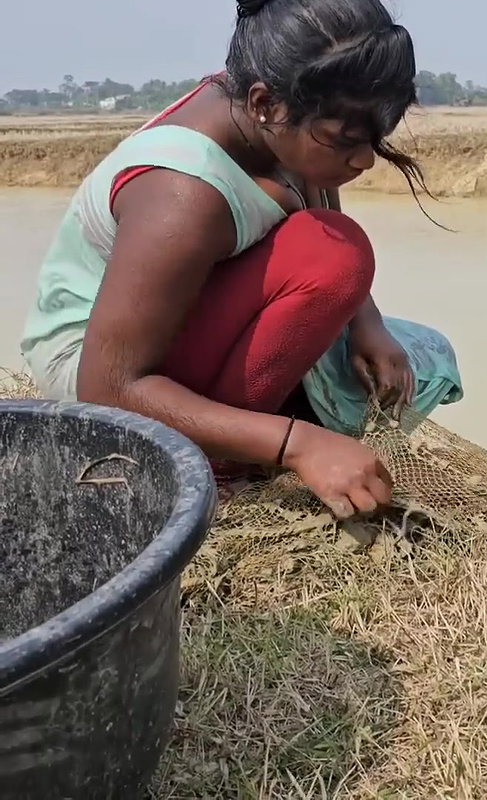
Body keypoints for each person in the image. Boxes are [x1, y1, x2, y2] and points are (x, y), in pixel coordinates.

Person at [19, 0, 463, 520]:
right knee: (332, 256)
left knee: (425, 354)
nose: (364, 160)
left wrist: (367, 321)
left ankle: (244, 424)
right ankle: (220, 464)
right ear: (265, 104)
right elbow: (110, 387)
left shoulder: (275, 110)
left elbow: (316, 194)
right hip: (100, 374)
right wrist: (298, 444)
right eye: (344, 140)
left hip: (179, 321)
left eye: (374, 139)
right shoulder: (182, 195)